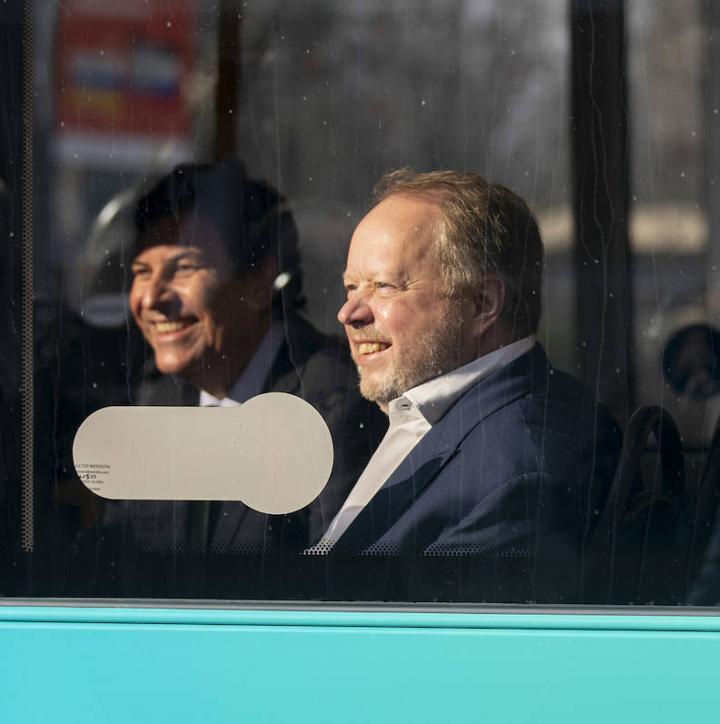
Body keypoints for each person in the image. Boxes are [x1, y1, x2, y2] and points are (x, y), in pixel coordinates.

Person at [312, 170, 621, 574]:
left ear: (482, 303)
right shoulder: (433, 416)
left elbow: (418, 636)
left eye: (384, 286)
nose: (348, 312)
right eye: (352, 287)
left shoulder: (515, 472)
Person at [103, 160, 385, 553]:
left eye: (183, 269)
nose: (151, 298)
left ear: (257, 283)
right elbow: (120, 557)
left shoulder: (332, 405)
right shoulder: (158, 394)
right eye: (142, 272)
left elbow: (327, 594)